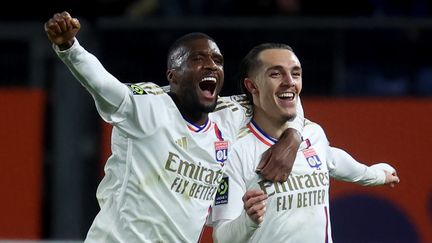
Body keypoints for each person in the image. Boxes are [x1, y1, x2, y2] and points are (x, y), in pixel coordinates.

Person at [44, 12, 305, 242]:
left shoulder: (230, 116)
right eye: (198, 58)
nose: (211, 65)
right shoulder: (147, 108)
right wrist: (70, 48)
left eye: (217, 60)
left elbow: (287, 98)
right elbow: (102, 84)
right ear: (173, 75)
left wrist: (292, 139)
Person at [210, 43, 400, 242]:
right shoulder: (236, 151)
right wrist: (247, 221)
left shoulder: (313, 132)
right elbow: (222, 237)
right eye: (275, 74)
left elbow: (332, 160)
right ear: (252, 86)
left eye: (296, 73)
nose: (289, 81)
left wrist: (375, 175)